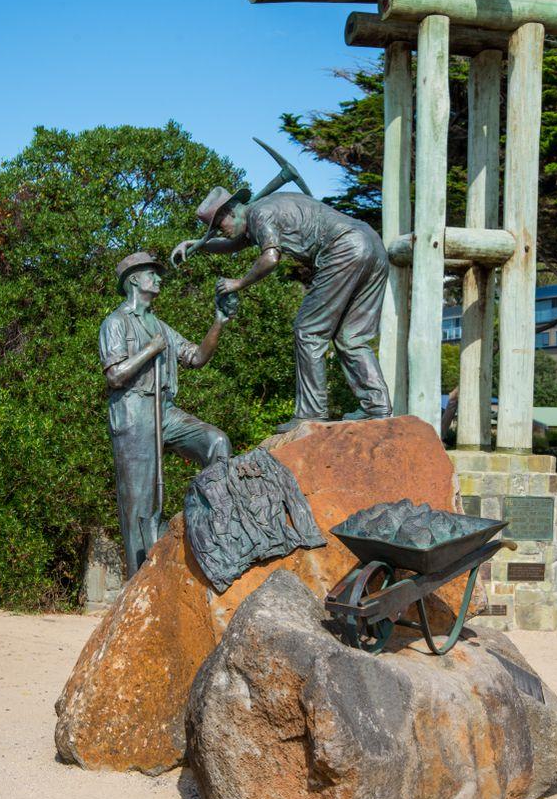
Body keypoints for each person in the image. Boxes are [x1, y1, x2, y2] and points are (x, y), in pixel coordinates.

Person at [171, 187, 392, 432]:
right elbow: (236, 242)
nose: (221, 233)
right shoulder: (264, 211)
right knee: (352, 336)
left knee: (308, 330)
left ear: (230, 212)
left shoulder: (259, 214)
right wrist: (197, 244)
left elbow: (270, 258)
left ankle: (311, 413)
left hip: (344, 250)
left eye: (220, 227)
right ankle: (376, 405)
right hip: (372, 244)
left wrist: (239, 283)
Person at [99, 251, 233, 577]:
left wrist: (219, 321)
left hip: (164, 410)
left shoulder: (161, 327)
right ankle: (138, 582)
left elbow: (198, 357)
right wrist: (150, 350)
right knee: (140, 507)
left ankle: (212, 530)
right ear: (133, 279)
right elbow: (114, 376)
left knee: (216, 443)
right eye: (152, 274)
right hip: (132, 412)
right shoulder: (115, 323)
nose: (159, 279)